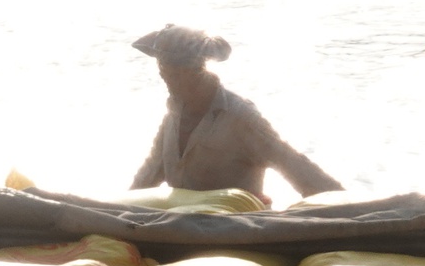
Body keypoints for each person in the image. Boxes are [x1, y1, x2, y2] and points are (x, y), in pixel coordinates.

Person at [129, 25, 342, 204]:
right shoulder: (173, 116)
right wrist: (120, 209)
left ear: (196, 71)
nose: (167, 80)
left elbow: (291, 163)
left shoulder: (240, 117)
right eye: (164, 73)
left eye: (174, 75)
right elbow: (149, 175)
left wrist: (342, 205)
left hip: (234, 228)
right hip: (183, 226)